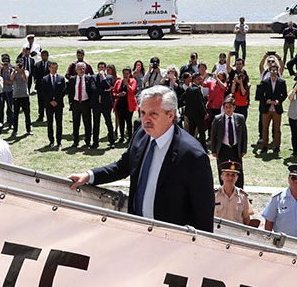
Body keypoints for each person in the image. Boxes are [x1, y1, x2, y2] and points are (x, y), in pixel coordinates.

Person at [68, 86, 215, 231]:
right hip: (137, 231)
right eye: (143, 112)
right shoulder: (141, 135)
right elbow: (123, 167)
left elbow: (204, 214)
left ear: (171, 115)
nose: (145, 119)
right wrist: (89, 176)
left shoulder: (193, 156)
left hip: (171, 239)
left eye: (153, 114)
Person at [209, 96, 248, 182]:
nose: (228, 109)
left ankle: (239, 187)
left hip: (235, 148)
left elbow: (244, 135)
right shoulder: (218, 119)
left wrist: (244, 149)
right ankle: (223, 187)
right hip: (223, 148)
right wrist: (214, 151)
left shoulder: (240, 118)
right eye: (226, 107)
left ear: (234, 107)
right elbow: (213, 136)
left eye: (230, 107)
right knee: (222, 169)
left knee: (238, 169)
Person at [255, 59, 287, 155]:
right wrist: (266, 100)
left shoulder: (281, 82)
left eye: (275, 71)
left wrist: (279, 101)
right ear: (269, 71)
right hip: (267, 109)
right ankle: (265, 146)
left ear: (277, 71)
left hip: (277, 109)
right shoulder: (265, 82)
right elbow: (260, 95)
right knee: (265, 129)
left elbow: (284, 95)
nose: (273, 72)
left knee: (277, 129)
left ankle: (277, 147)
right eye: (272, 71)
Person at [213, 160, 254, 226]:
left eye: (233, 175)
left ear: (236, 178)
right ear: (221, 177)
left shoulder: (243, 196)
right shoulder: (214, 195)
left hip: (236, 231)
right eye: (227, 175)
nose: (230, 178)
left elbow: (246, 220)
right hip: (219, 230)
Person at [39, 60, 67, 148]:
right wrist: (50, 101)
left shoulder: (61, 79)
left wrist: (57, 101)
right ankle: (51, 140)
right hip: (49, 105)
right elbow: (43, 92)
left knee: (59, 123)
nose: (54, 69)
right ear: (49, 68)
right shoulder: (45, 79)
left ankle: (59, 141)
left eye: (55, 68)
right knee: (50, 123)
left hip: (59, 105)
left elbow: (63, 91)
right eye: (52, 68)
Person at [67, 61, 95, 147]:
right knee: (76, 123)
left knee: (87, 123)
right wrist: (71, 102)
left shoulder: (88, 79)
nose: (82, 71)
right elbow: (70, 92)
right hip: (76, 104)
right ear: (76, 70)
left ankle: (88, 141)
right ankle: (76, 141)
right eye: (80, 69)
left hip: (86, 103)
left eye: (83, 69)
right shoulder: (72, 79)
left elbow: (92, 91)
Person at [93, 62, 116, 146]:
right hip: (97, 104)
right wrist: (104, 90)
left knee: (108, 122)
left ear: (105, 69)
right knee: (96, 123)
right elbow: (94, 89)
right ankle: (95, 142)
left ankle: (111, 141)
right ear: (97, 68)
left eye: (103, 67)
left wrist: (103, 78)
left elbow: (108, 86)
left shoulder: (109, 77)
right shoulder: (93, 77)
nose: (101, 69)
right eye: (100, 67)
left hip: (106, 104)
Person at [113, 66, 138, 144]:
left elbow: (132, 91)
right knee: (121, 121)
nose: (125, 75)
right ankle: (122, 137)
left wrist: (127, 84)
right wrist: (118, 95)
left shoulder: (133, 81)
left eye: (127, 74)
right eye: (124, 73)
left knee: (128, 121)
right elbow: (114, 92)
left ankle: (130, 137)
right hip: (120, 104)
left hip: (129, 105)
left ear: (130, 74)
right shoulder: (118, 82)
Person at [9, 58, 32, 137]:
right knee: (15, 114)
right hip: (16, 95)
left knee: (27, 114)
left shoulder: (26, 71)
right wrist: (15, 70)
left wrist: (22, 71)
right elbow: (11, 79)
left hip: (25, 95)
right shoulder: (14, 72)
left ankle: (28, 129)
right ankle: (15, 130)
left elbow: (25, 79)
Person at [181, 70, 206, 142]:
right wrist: (205, 113)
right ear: (194, 80)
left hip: (190, 114)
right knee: (201, 132)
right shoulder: (197, 89)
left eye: (201, 78)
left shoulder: (189, 88)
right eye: (198, 79)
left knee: (191, 131)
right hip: (198, 114)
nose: (200, 80)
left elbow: (182, 98)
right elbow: (200, 103)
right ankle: (203, 146)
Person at [34, 49, 52, 122]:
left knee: (48, 102)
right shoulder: (37, 65)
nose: (43, 57)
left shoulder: (51, 64)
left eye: (45, 55)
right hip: (40, 86)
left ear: (47, 56)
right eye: (42, 56)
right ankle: (41, 115)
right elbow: (35, 75)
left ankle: (49, 115)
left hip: (49, 87)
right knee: (40, 102)